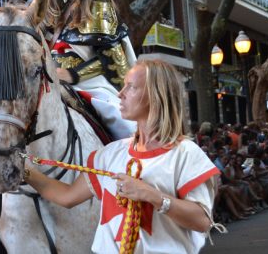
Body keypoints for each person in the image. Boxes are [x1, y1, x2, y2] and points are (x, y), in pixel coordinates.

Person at [24, 59, 220, 253]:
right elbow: (67, 196)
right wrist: (23, 172)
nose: (120, 94)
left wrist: (151, 195)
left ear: (156, 95)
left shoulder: (186, 153)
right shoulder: (109, 154)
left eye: (131, 87)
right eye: (123, 86)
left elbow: (202, 221)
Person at [0, 0, 136, 140]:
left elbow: (111, 60)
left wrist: (72, 75)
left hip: (87, 82)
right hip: (45, 77)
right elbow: (25, 27)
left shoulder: (98, 3)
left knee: (123, 123)